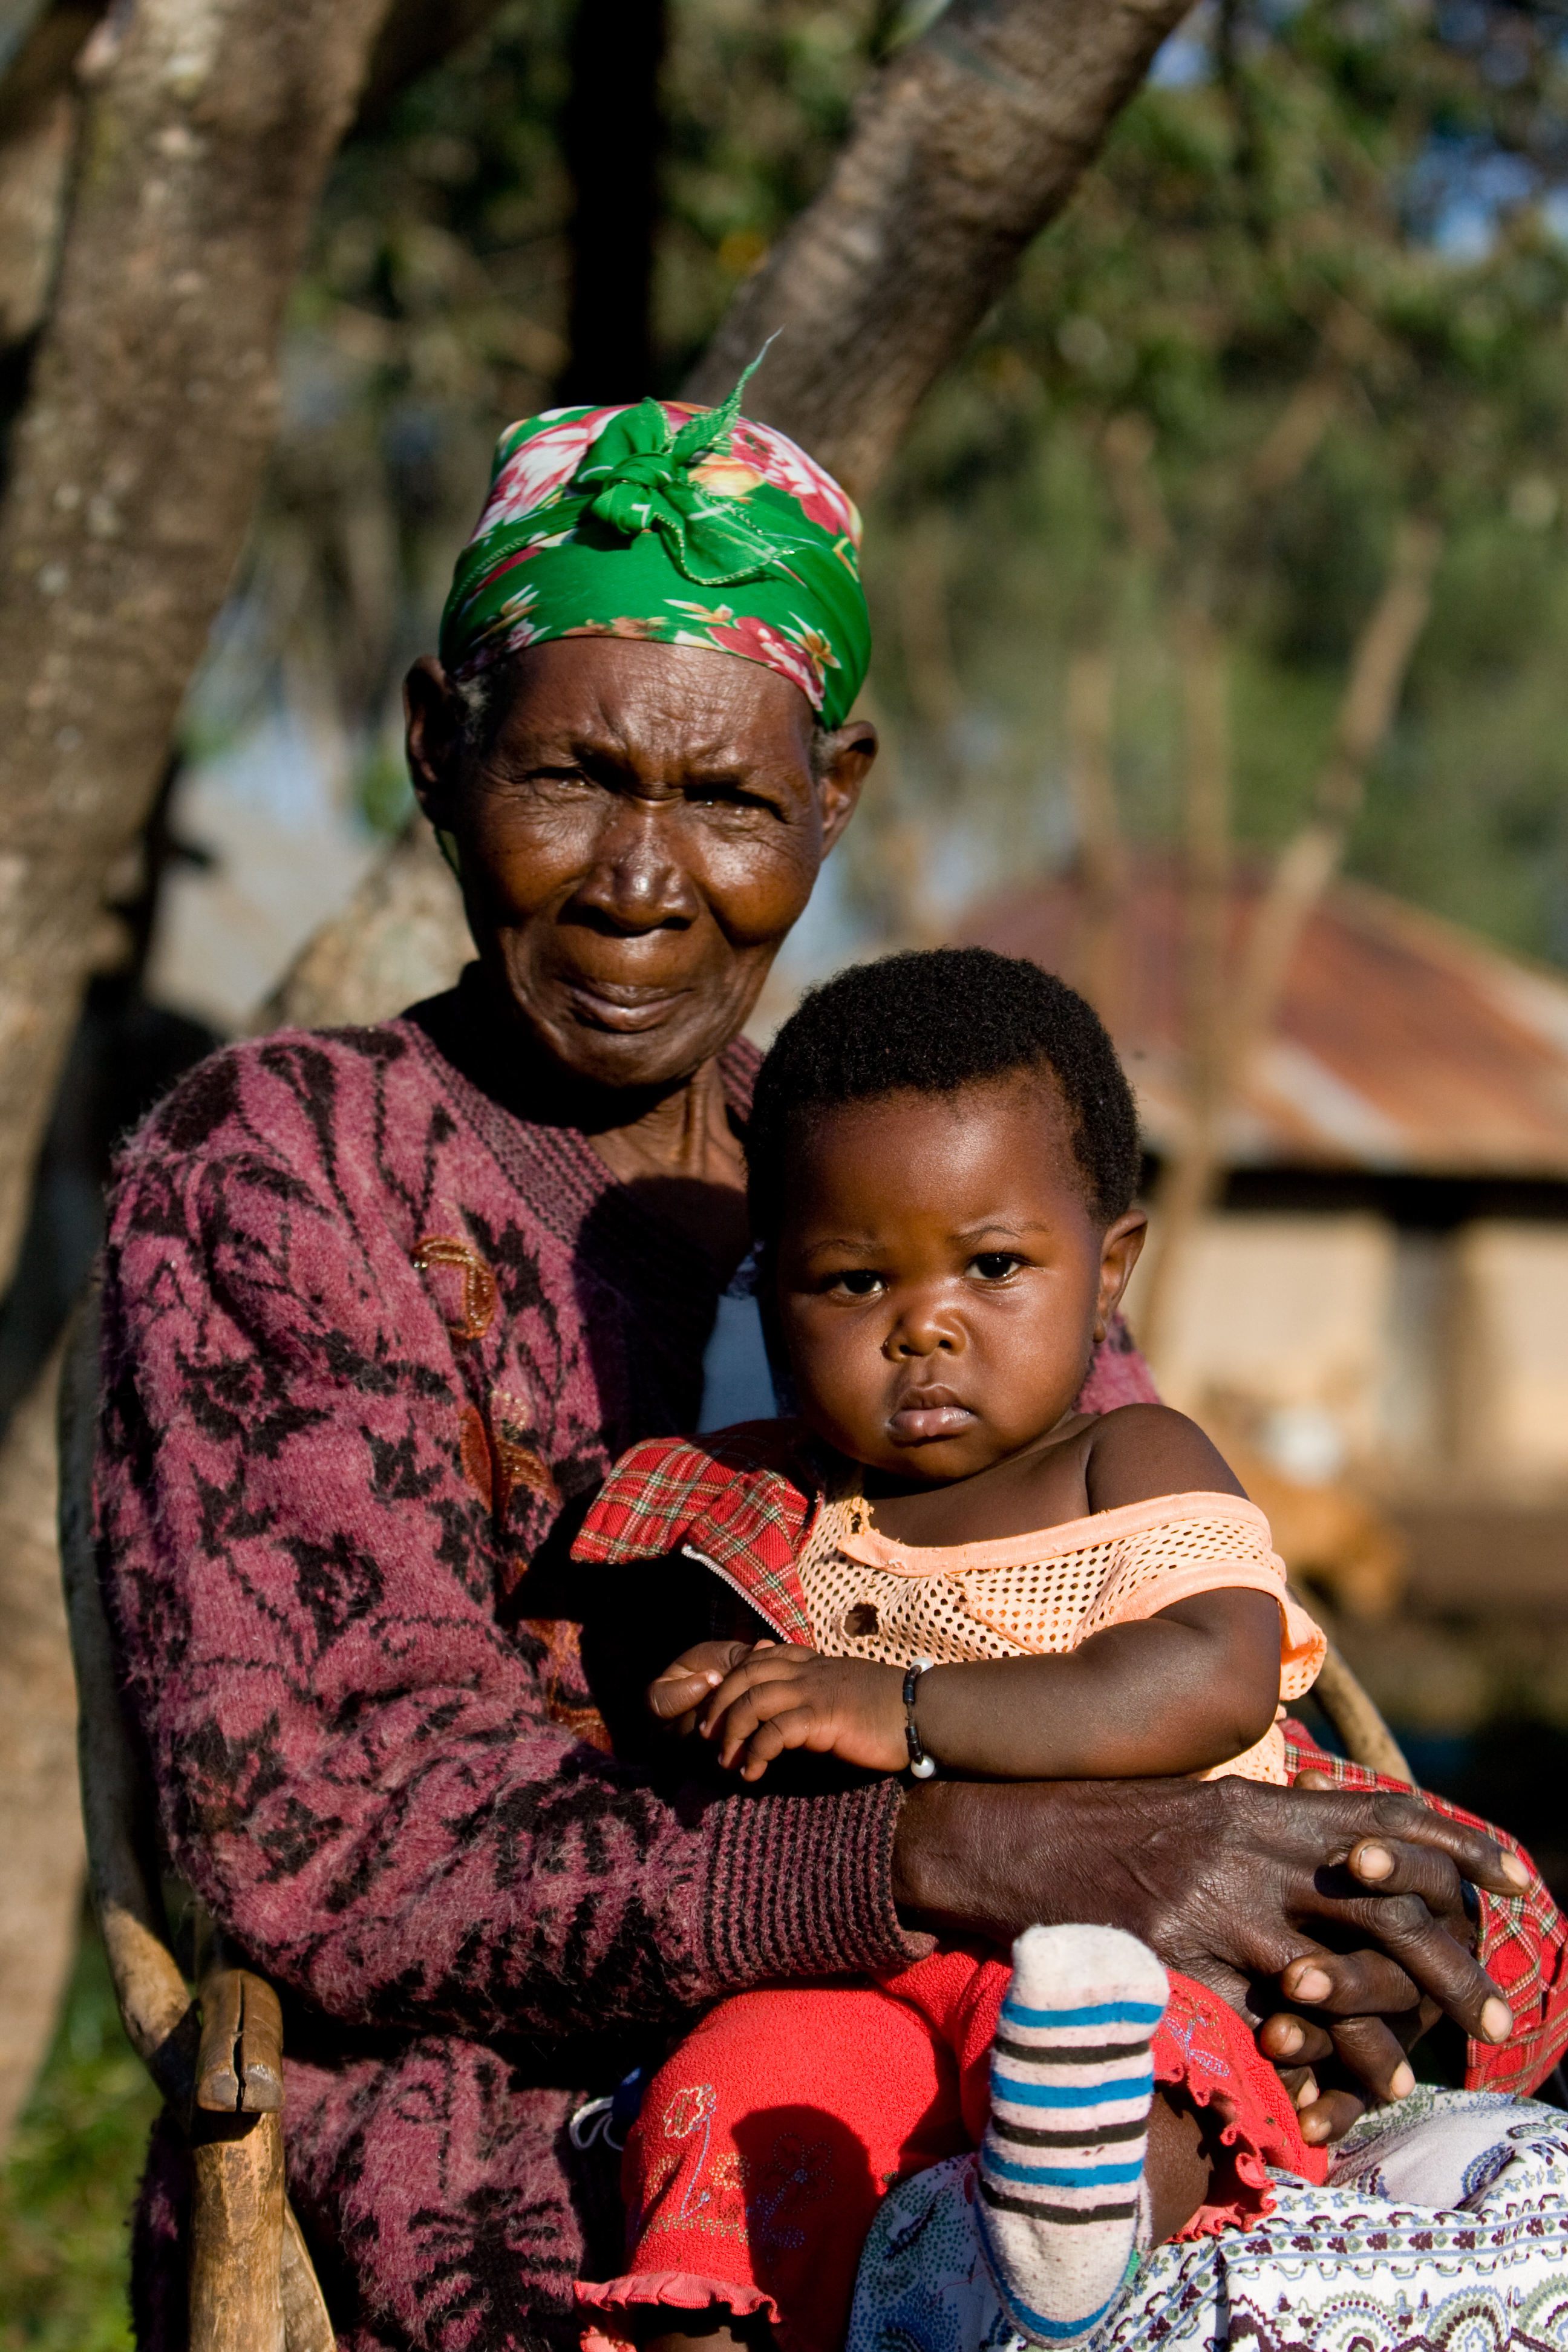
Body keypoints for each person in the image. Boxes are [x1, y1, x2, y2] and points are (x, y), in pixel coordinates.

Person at [93, 380, 1564, 2352]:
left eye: (728, 801)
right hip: (566, 2094)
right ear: (438, 751)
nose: (642, 876)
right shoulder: (282, 1166)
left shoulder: (911, 1150)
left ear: (837, 798)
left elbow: (1131, 1567)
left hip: (1060, 1969)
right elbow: (344, 1850)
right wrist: (966, 1841)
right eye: (571, 780)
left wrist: (1327, 1910)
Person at [569, 950, 1568, 2352]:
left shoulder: (1129, 1461)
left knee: (1124, 2061)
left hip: (1132, 1942)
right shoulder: (769, 1506)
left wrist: (903, 1705)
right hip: (877, 1968)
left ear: (1109, 1272)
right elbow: (684, 1687)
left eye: (993, 1266)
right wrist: (715, 1691)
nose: (925, 1325)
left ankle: (1072, 2264)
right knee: (741, 2085)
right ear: (773, 1298)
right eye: (853, 1283)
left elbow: (1206, 1670)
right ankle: (742, 2309)